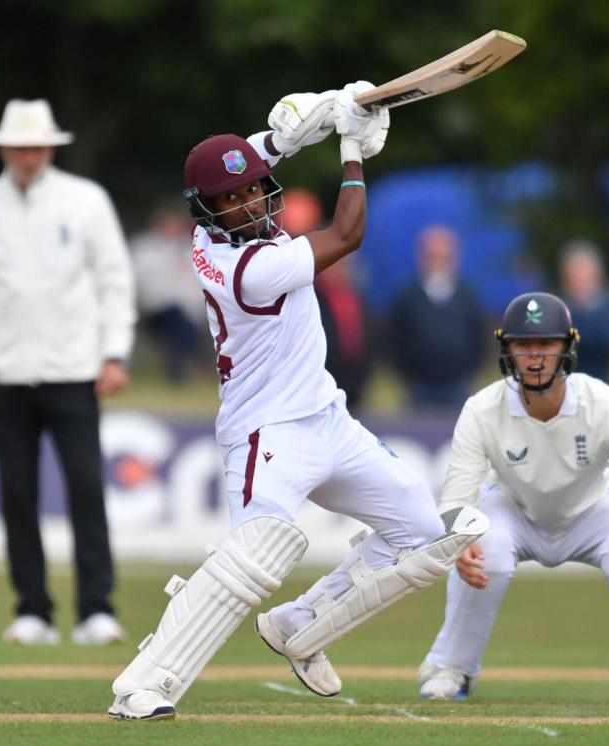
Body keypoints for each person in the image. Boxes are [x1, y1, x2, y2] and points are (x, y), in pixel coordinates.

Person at [107, 83, 488, 721]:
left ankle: (300, 623)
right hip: (267, 434)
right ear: (208, 213)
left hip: (329, 418)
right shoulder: (249, 269)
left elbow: (253, 157)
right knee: (253, 560)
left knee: (423, 537)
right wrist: (350, 148)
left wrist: (298, 129)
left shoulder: (215, 230)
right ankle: (145, 684)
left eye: (253, 189)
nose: (248, 202)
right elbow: (349, 231)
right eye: (230, 200)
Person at [414, 292, 609, 703]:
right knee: (480, 549)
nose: (535, 356)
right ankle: (452, 667)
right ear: (506, 349)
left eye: (547, 343)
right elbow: (457, 496)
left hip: (592, 509)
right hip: (512, 508)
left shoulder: (606, 404)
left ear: (568, 346)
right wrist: (458, 541)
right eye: (522, 345)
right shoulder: (481, 409)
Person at [0, 99, 135, 647]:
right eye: (19, 147)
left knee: (86, 486)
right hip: (1, 372)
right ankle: (34, 611)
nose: (28, 156)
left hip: (74, 368)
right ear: (4, 150)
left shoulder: (86, 201)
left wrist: (115, 353)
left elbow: (114, 280)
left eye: (37, 146)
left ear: (50, 148)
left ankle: (96, 608)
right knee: (18, 493)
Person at [281, 189, 373, 412]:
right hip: (317, 388)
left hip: (354, 388)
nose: (343, 267)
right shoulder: (308, 294)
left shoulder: (356, 296)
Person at [389, 224, 485, 412]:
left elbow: (477, 336)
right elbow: (395, 339)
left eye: (444, 257)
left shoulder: (467, 295)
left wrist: (468, 371)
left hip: (458, 386)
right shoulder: (408, 296)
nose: (438, 263)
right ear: (422, 258)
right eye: (433, 257)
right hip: (418, 389)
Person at [130, 204, 206, 384]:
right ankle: (177, 373)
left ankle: (178, 370)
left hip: (190, 312)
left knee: (184, 326)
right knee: (181, 325)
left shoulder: (192, 249)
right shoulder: (144, 248)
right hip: (156, 309)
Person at [560, 239, 609, 383]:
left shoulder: (608, 307)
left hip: (600, 381)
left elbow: (606, 339)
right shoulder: (560, 307)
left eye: (582, 271)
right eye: (574, 272)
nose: (578, 277)